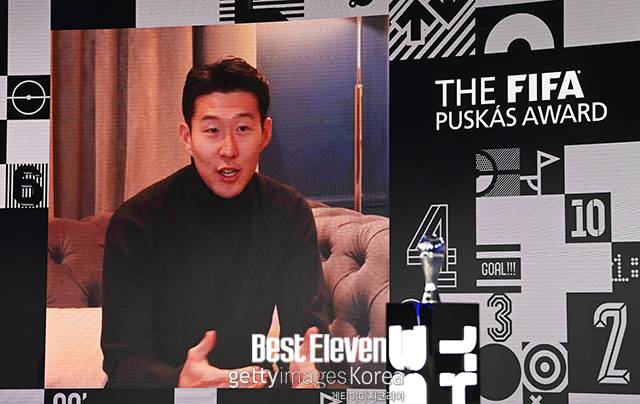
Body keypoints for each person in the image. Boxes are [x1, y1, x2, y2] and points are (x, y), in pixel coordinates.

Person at [101, 57, 328, 388]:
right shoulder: (136, 221)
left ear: (265, 133)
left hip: (249, 387)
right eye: (212, 131)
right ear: (187, 137)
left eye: (242, 129)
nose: (229, 149)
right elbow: (122, 359)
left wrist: (305, 371)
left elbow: (306, 335)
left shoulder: (288, 212)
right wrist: (179, 383)